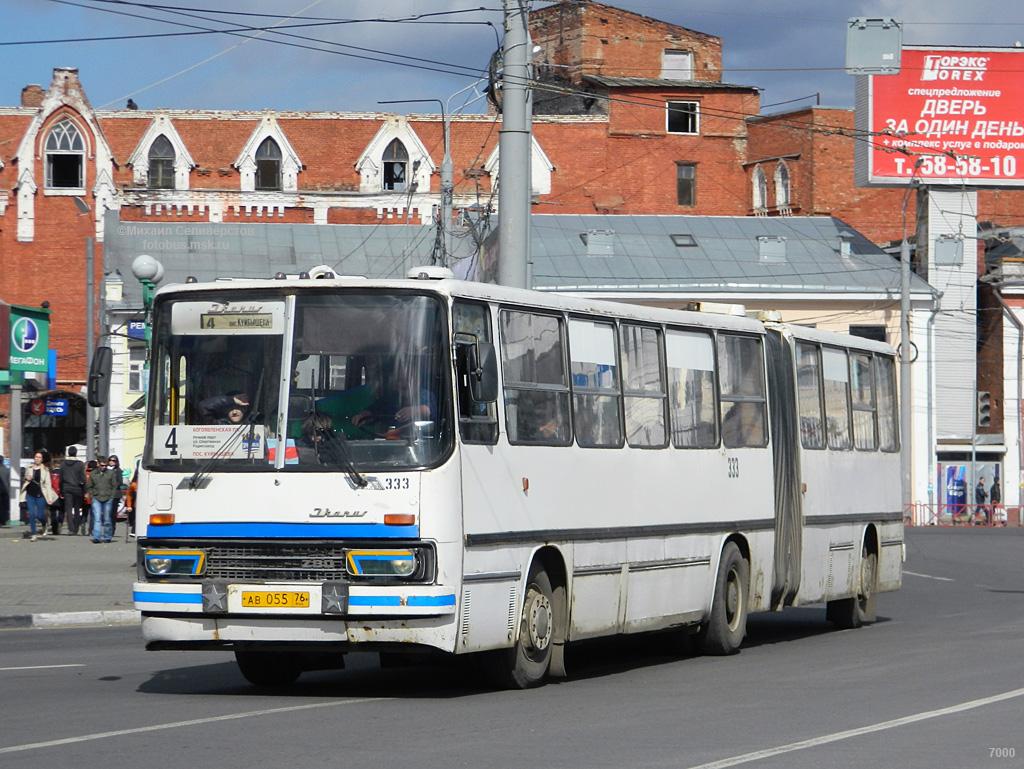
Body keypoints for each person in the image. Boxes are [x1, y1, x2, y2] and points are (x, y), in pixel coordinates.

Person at [18, 451, 55, 542]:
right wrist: (27, 478)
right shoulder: (29, 468)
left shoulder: (45, 469)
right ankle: (34, 534)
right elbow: (25, 478)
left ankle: (44, 523)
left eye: (39, 457)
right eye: (36, 457)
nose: (37, 459)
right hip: (30, 494)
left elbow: (48, 484)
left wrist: (50, 498)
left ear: (42, 459)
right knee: (31, 514)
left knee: (39, 515)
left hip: (40, 495)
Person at [86, 455, 120, 543]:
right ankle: (97, 537)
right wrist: (92, 496)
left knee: (107, 518)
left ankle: (108, 536)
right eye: (102, 465)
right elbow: (90, 486)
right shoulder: (93, 474)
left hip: (108, 498)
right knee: (97, 518)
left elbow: (114, 485)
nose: (103, 467)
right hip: (96, 498)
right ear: (98, 464)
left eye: (105, 465)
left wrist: (111, 496)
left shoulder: (110, 473)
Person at [60, 446, 87, 535]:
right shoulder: (80, 464)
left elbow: (61, 478)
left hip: (67, 488)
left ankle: (70, 528)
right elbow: (83, 478)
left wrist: (61, 490)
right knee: (76, 508)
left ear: (68, 453)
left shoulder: (63, 464)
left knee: (68, 508)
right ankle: (76, 527)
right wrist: (85, 491)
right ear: (76, 453)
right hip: (78, 489)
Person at [107, 455, 124, 538]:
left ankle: (112, 529)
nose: (111, 462)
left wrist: (112, 487)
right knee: (107, 513)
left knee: (113, 514)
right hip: (106, 494)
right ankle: (107, 529)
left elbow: (120, 482)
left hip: (115, 494)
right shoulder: (105, 470)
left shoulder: (118, 471)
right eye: (110, 460)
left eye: (113, 460)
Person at [0, 454, 10, 527]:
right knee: (4, 505)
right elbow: (8, 480)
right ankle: (4, 519)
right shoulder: (7, 469)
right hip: (5, 490)